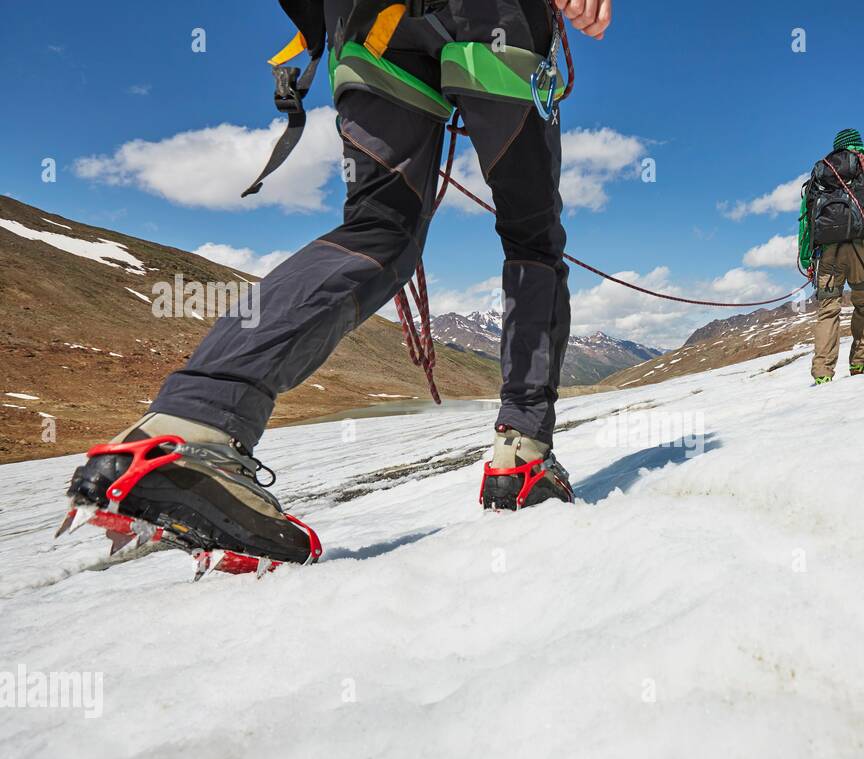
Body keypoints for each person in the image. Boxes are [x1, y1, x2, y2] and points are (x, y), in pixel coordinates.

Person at [59, 0, 613, 569]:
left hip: (367, 24)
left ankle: (195, 419)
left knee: (379, 228)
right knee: (532, 239)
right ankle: (522, 457)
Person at [797, 128, 864, 384]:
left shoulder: (820, 174)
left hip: (826, 253)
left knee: (828, 311)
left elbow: (805, 222)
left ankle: (822, 373)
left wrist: (806, 259)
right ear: (860, 145)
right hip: (860, 248)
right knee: (863, 305)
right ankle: (858, 363)